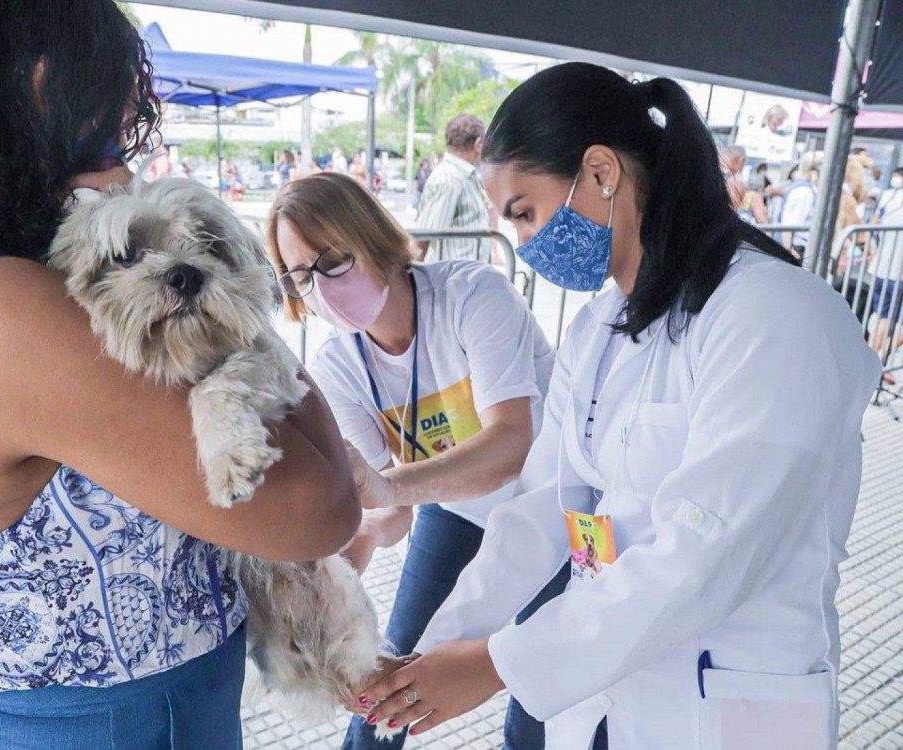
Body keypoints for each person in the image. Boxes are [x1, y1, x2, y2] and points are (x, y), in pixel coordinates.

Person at [0, 3, 359, 749]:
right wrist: (239, 308)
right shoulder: (3, 310)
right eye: (112, 129)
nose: (120, 167)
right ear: (45, 86)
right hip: (120, 724)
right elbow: (321, 512)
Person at [356, 62, 879, 750]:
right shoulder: (599, 328)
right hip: (605, 703)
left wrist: (496, 664)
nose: (525, 244)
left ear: (601, 172)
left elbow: (709, 548)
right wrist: (432, 653)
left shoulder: (775, 316)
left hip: (730, 704)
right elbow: (541, 509)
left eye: (525, 213)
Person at [265, 172, 555, 750]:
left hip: (550, 505)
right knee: (392, 675)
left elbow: (511, 444)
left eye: (331, 262)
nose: (320, 288)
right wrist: (343, 569)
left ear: (370, 236)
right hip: (455, 509)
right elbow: (387, 511)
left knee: (539, 679)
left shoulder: (474, 296)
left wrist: (389, 488)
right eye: (300, 276)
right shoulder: (338, 365)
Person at [415, 115, 493, 263]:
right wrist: (411, 275)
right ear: (478, 143)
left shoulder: (465, 176)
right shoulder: (450, 179)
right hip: (454, 275)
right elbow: (424, 237)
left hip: (468, 273)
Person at [870, 167, 903, 381]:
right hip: (897, 271)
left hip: (881, 267)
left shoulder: (889, 197)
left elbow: (874, 224)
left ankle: (871, 361)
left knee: (883, 317)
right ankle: (878, 362)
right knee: (889, 319)